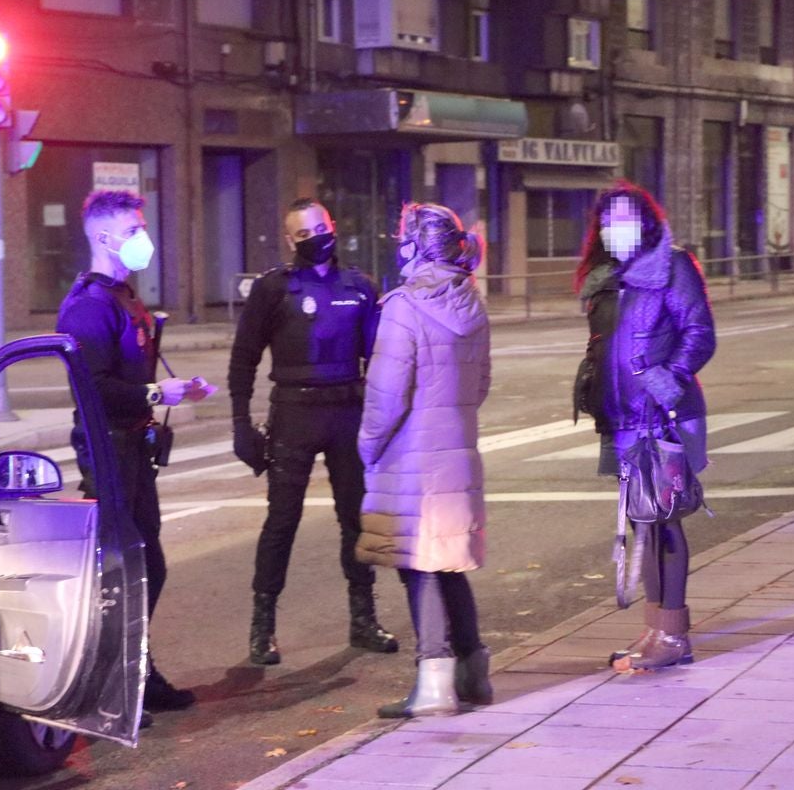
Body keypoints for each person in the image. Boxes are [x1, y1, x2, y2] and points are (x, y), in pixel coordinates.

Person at [57, 190, 211, 724]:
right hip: (107, 449)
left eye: (142, 226)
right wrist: (154, 395)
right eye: (132, 229)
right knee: (121, 570)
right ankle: (107, 683)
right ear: (102, 237)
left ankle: (137, 672)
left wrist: (174, 387)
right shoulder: (87, 307)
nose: (142, 237)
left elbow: (132, 372)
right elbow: (94, 388)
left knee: (146, 565)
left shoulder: (123, 296)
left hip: (133, 448)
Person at [228, 198, 399, 665]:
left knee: (354, 522)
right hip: (293, 415)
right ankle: (262, 628)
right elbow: (243, 358)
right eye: (301, 236)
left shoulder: (360, 287)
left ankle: (363, 619)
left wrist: (386, 422)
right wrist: (241, 423)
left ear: (333, 226)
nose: (312, 240)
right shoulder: (272, 289)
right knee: (281, 522)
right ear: (289, 241)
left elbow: (381, 361)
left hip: (347, 412)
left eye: (317, 230)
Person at [572, 181, 716, 671]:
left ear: (649, 222)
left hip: (662, 417)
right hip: (622, 422)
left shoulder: (671, 266)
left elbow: (699, 333)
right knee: (642, 523)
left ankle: (674, 635)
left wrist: (665, 379)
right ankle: (656, 628)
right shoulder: (610, 278)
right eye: (608, 221)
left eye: (627, 218)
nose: (617, 229)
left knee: (663, 522)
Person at [356, 202, 492, 718]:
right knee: (450, 563)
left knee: (418, 566)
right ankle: (472, 671)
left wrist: (367, 447)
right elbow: (479, 385)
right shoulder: (471, 303)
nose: (397, 245)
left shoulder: (404, 307)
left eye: (401, 237)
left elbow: (386, 396)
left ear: (415, 245)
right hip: (455, 450)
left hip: (410, 456)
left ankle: (433, 681)